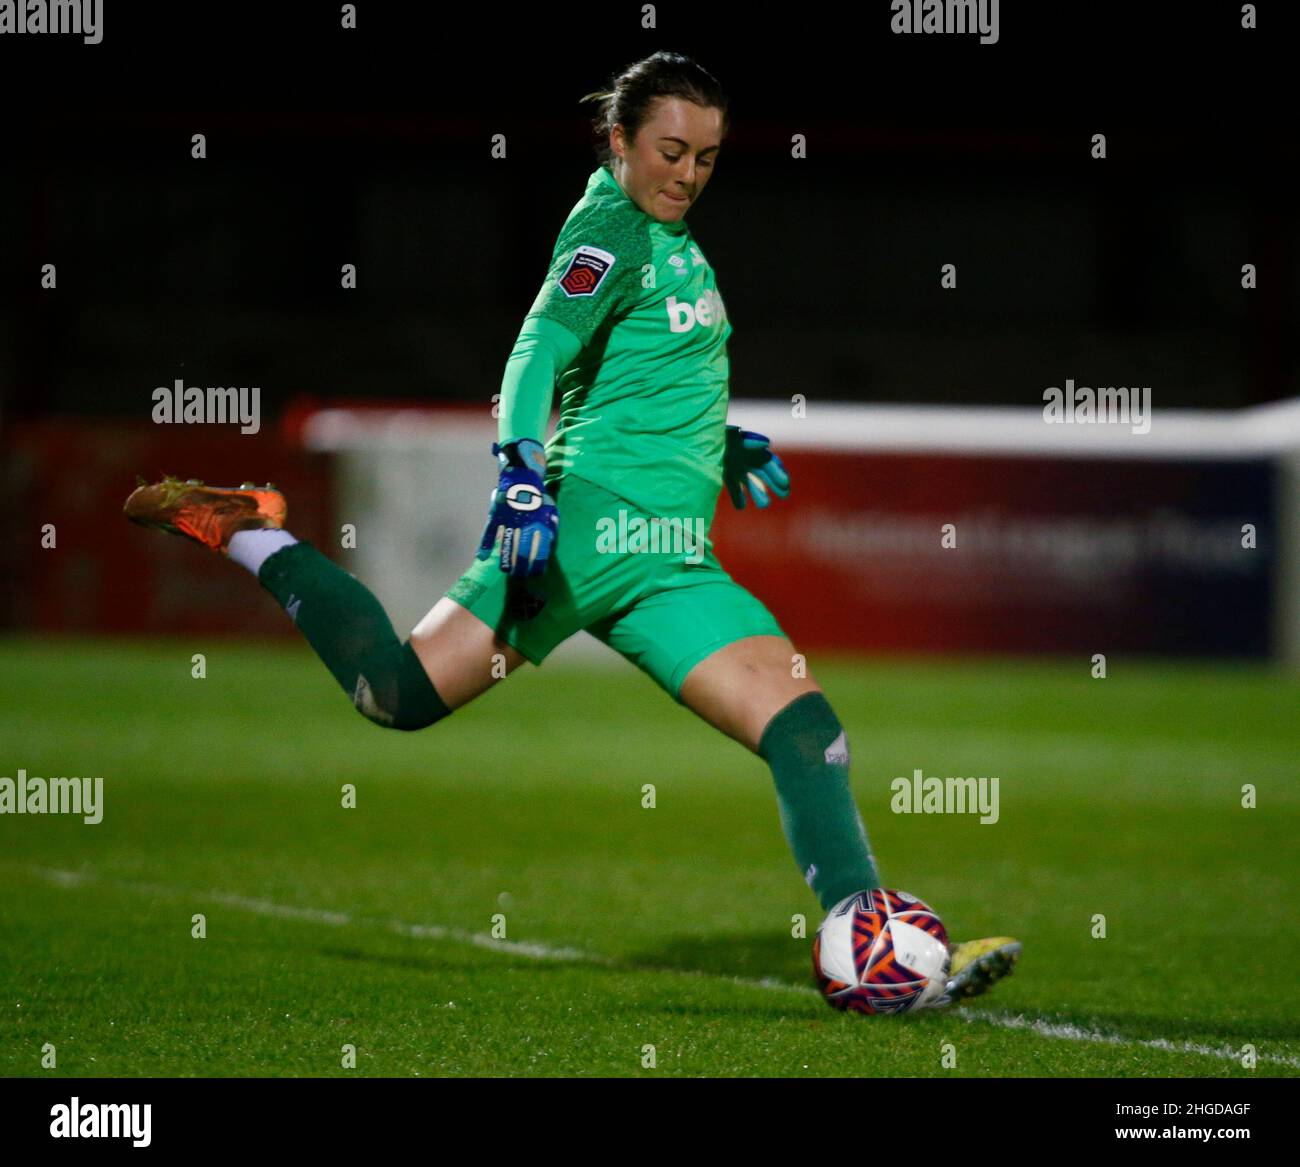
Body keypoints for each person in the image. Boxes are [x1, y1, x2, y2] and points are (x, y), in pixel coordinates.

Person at [124, 50, 1018, 1009]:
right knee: (393, 694)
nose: (687, 174)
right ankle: (240, 524)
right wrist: (517, 467)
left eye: (707, 158)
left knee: (806, 729)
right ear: (620, 140)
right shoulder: (608, 230)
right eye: (670, 151)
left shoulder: (672, 240)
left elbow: (632, 375)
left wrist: (715, 443)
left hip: (672, 561)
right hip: (581, 536)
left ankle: (871, 944)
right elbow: (540, 345)